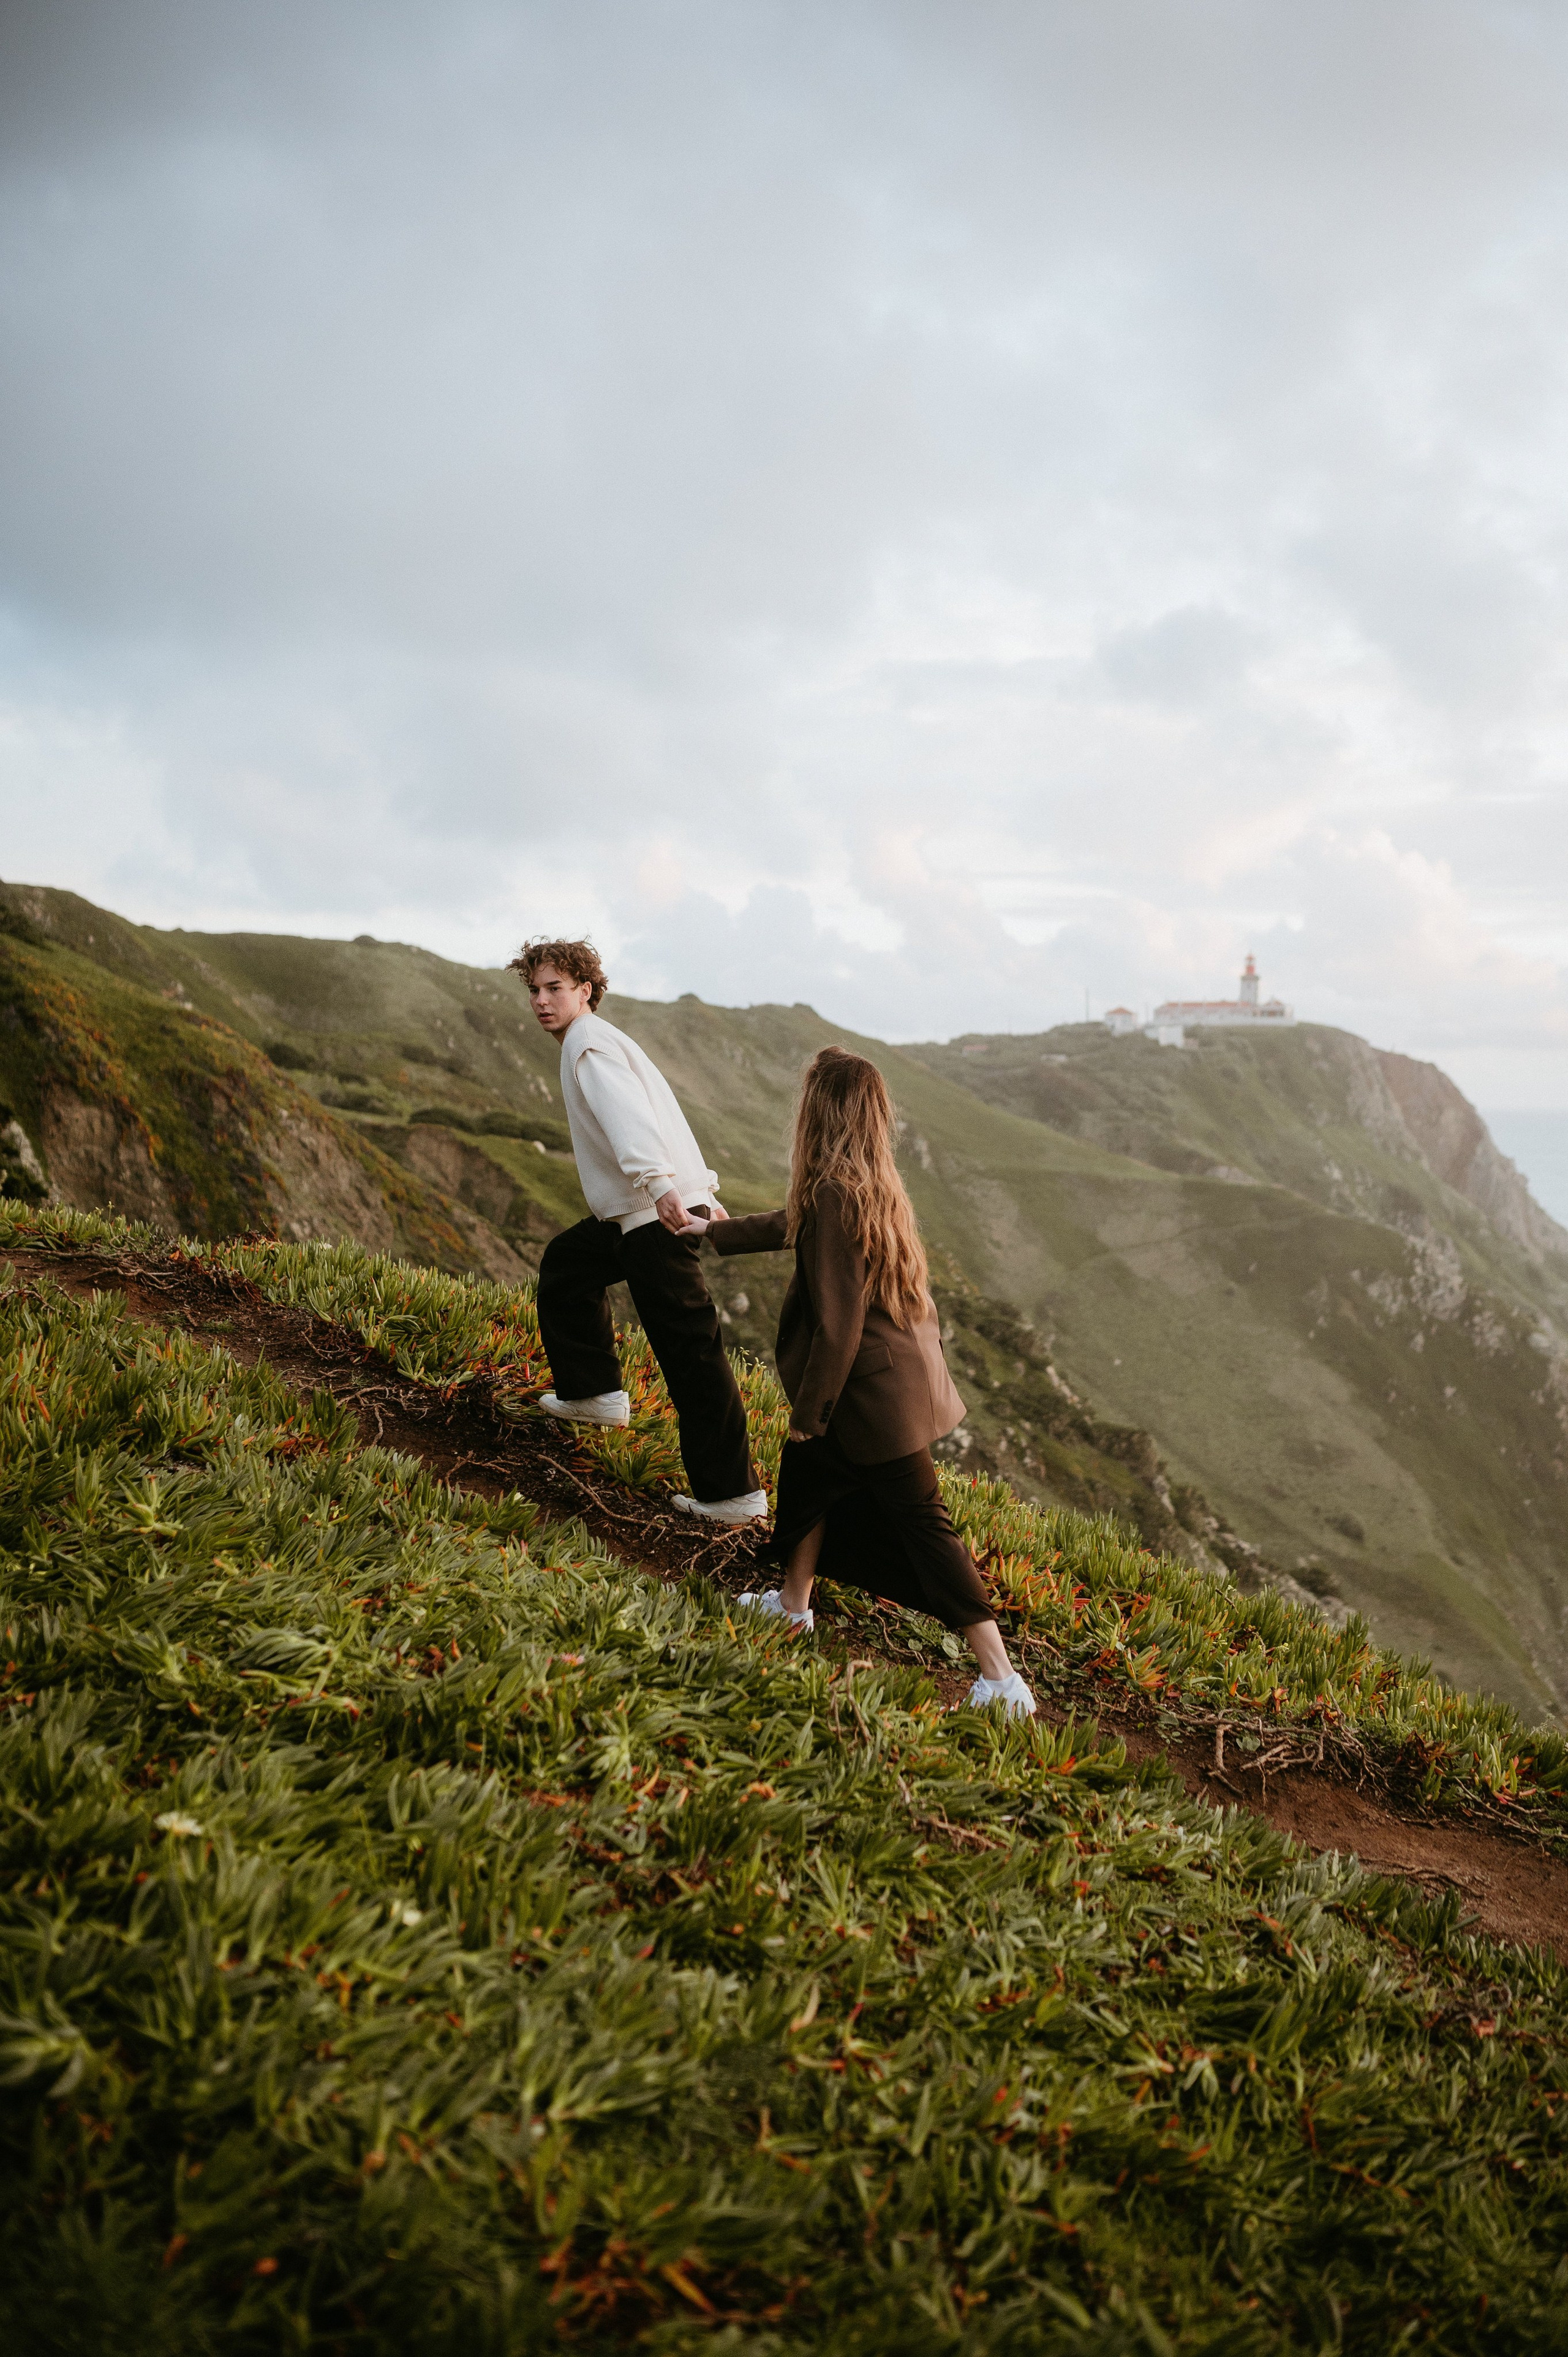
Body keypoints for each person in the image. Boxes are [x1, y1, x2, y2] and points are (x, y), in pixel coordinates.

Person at [706, 1044, 1036, 1716]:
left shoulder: (832, 1190)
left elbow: (838, 1326)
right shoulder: (864, 1182)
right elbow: (792, 1225)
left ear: (818, 1112)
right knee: (807, 1483)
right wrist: (714, 1230)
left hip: (868, 1395)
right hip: (890, 1380)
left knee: (924, 1524)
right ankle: (792, 1606)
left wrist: (811, 1409)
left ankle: (1002, 1679)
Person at [510, 936, 766, 1524]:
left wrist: (668, 1188)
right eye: (535, 990)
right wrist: (702, 1192)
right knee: (569, 1264)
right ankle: (594, 1396)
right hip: (643, 1209)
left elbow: (631, 1120)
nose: (543, 1001)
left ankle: (732, 1495)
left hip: (653, 1214)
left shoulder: (588, 1044)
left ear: (586, 991)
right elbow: (664, 1115)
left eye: (555, 989)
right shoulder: (600, 1039)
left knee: (692, 1354)